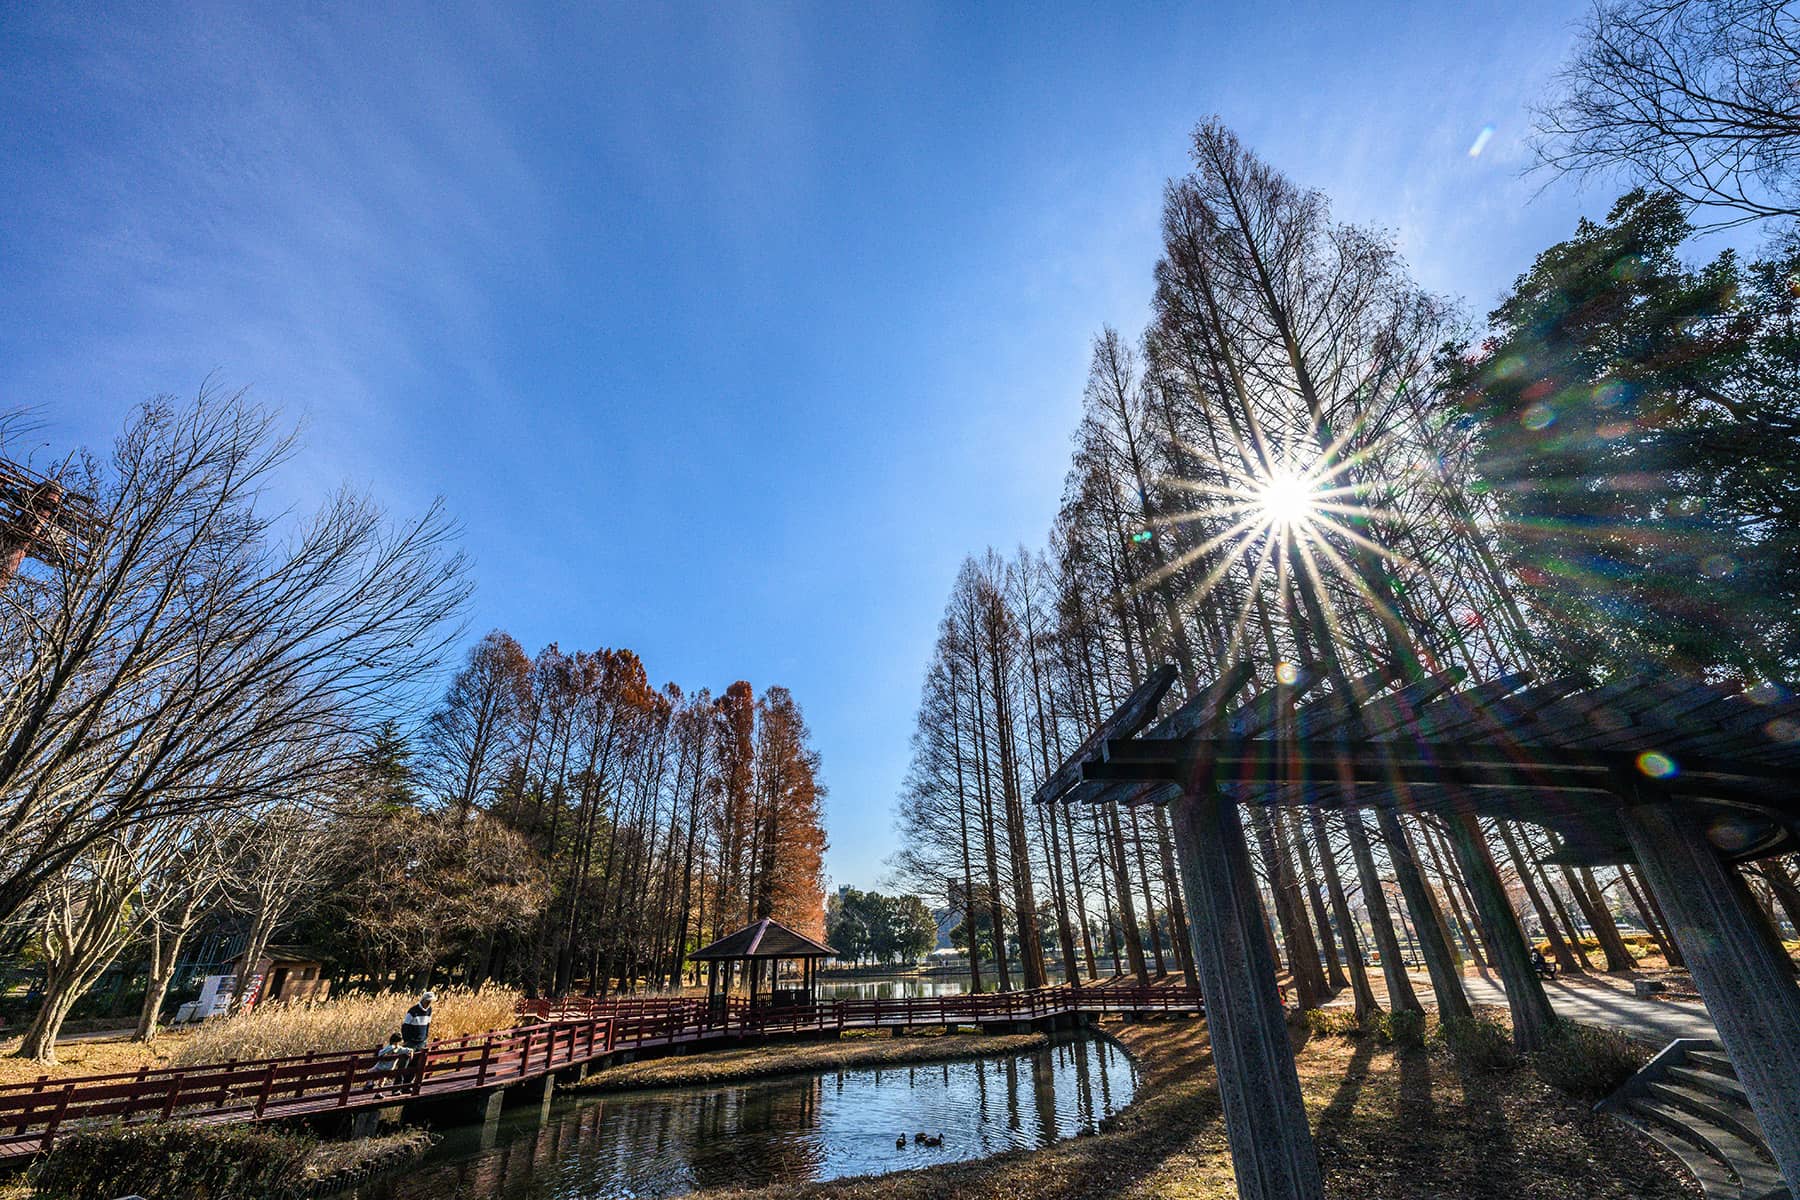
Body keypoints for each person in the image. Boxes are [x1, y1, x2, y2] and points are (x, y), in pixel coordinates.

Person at [399, 991, 434, 1085]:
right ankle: (397, 1087)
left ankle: (407, 1085)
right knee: (404, 1064)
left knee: (416, 1065)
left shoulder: (429, 1010)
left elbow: (427, 1025)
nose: (429, 1003)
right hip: (411, 1042)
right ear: (423, 1000)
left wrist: (425, 1037)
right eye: (428, 1001)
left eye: (430, 1001)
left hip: (421, 1042)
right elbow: (405, 1026)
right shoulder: (413, 1011)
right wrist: (406, 1041)